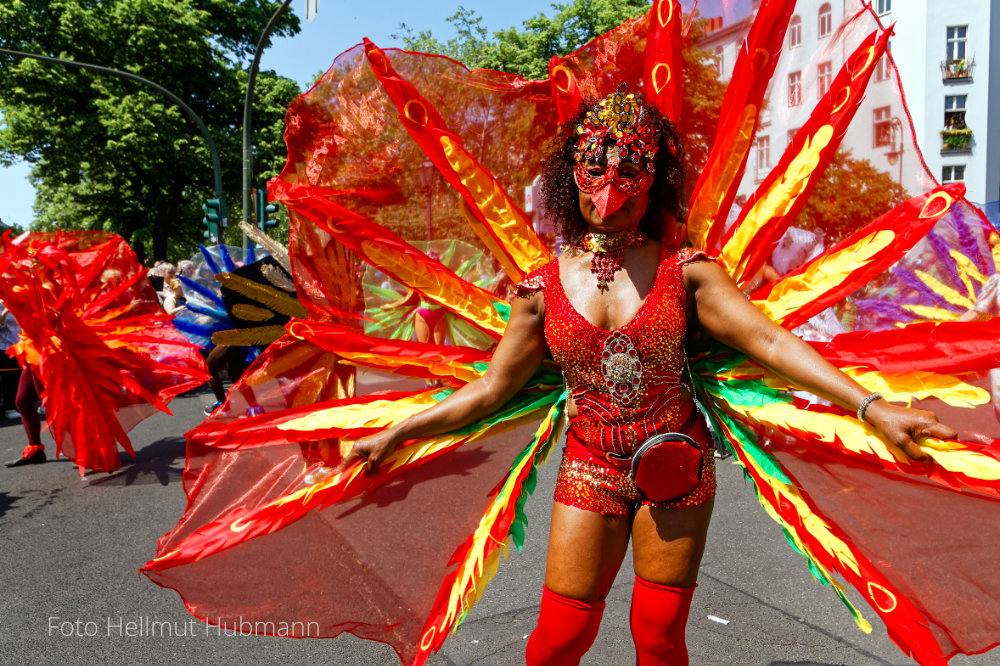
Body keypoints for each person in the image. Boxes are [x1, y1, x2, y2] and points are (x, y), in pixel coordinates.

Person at [335, 89, 954, 664]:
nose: (610, 189)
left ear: (653, 182)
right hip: (588, 466)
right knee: (559, 638)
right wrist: (399, 432)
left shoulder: (689, 274)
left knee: (657, 636)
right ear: (569, 178)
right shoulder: (540, 288)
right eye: (594, 170)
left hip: (676, 461)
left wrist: (872, 407)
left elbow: (769, 341)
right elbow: (494, 388)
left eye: (629, 172)